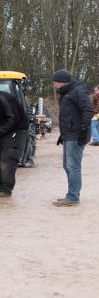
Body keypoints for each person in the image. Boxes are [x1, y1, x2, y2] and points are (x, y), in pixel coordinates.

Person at [52, 69, 93, 206]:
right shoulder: (67, 93)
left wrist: (83, 130)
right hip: (68, 135)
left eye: (56, 82)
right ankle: (72, 194)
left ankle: (73, 196)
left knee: (73, 166)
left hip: (76, 135)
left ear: (63, 82)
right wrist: (63, 134)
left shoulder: (78, 91)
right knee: (67, 165)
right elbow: (70, 115)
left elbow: (88, 110)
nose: (54, 84)